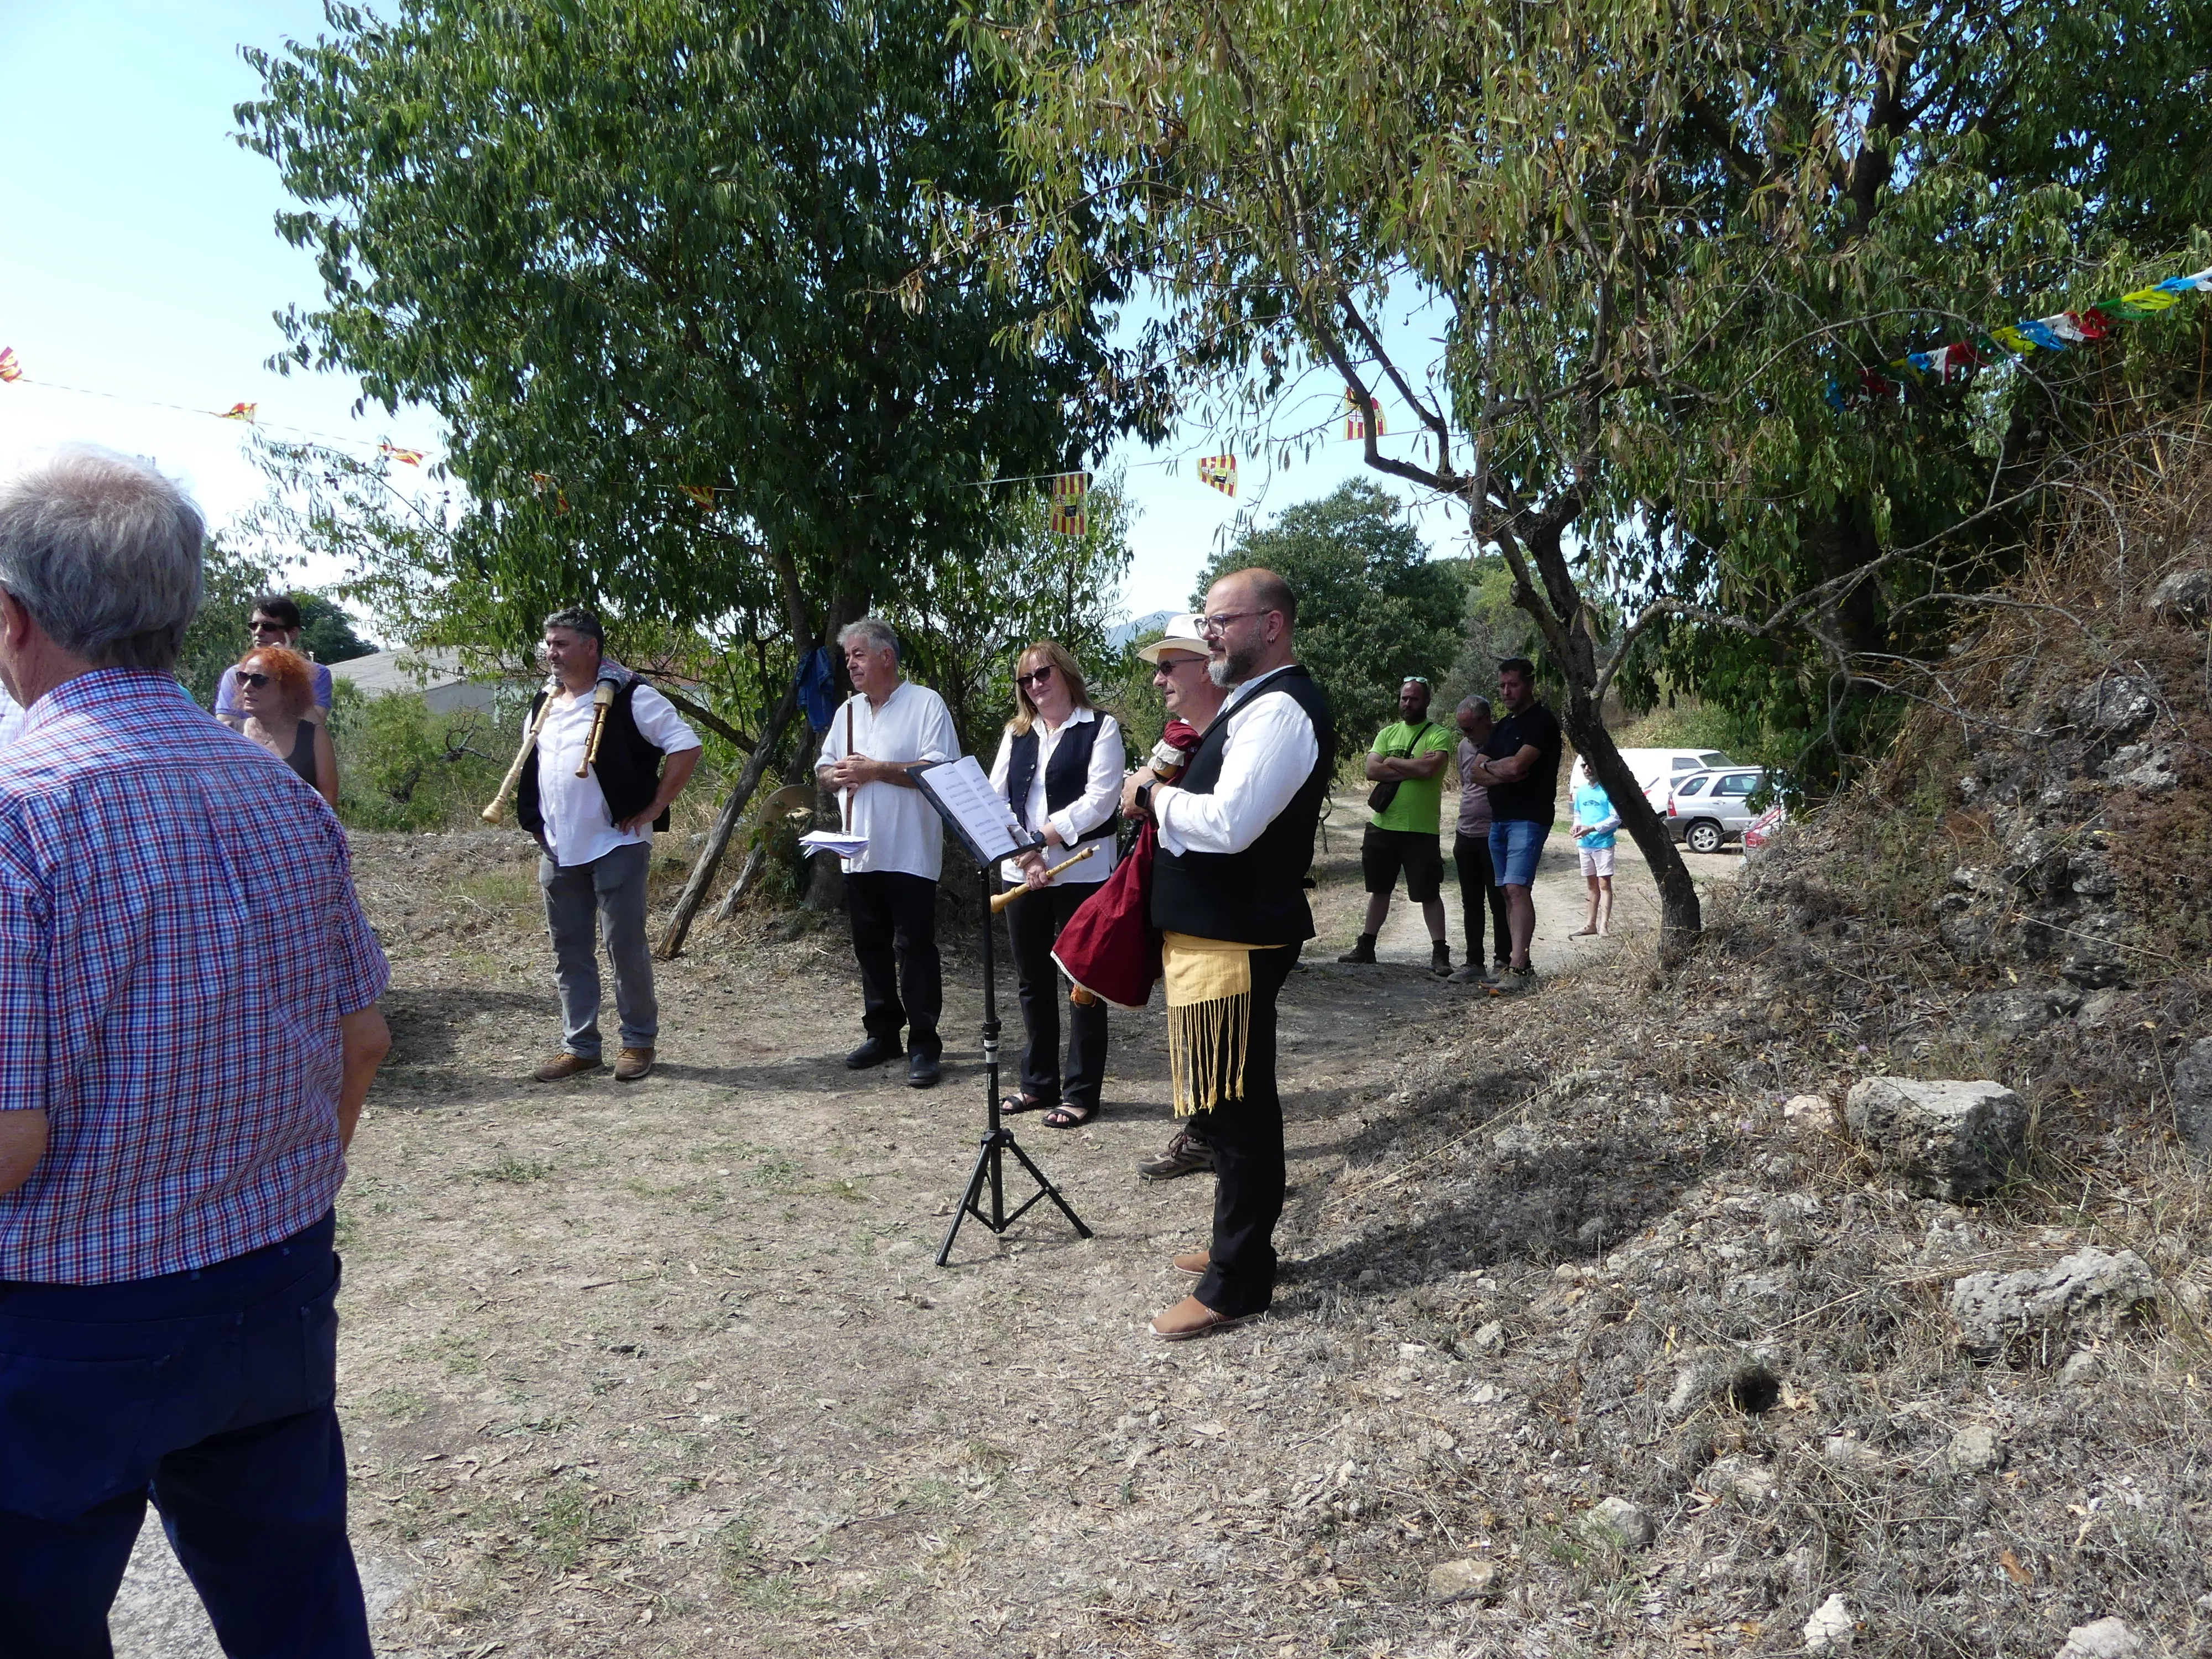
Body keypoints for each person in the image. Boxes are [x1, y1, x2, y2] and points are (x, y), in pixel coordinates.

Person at [0, 447, 393, 1655]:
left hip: (63, 1322)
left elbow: (10, 1141)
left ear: (13, 622)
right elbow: (363, 1040)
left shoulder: (19, 811)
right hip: (269, 1284)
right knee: (297, 1610)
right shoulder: (281, 795)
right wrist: (267, 1195)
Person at [1123, 568, 1333, 1340]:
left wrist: (1150, 798)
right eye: (1207, 622)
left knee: (1238, 1114)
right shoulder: (1253, 704)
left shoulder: (1281, 710)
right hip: (1215, 937)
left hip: (1236, 938)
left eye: (1221, 620)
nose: (1207, 633)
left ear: (1271, 625)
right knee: (1221, 1108)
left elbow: (1231, 824)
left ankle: (1238, 1281)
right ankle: (1233, 1247)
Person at [514, 608, 702, 1084]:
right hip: (559, 848)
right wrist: (537, 824)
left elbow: (686, 745)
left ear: (590, 647)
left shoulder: (633, 697)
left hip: (616, 842)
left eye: (560, 644)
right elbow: (536, 769)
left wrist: (656, 805)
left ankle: (638, 1042)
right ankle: (580, 1048)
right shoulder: (545, 700)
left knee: (625, 947)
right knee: (569, 950)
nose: (551, 653)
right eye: (549, 643)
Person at [987, 642, 1127, 1127]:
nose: (1035, 686)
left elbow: (1100, 800)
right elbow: (996, 798)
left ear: (1065, 673)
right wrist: (1026, 854)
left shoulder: (1100, 727)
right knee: (1032, 980)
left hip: (1082, 871)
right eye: (1026, 680)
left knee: (1082, 981)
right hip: (1021, 870)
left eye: (1042, 674)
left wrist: (1043, 839)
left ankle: (1082, 1092)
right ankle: (1037, 1084)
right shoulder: (1016, 733)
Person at [817, 618, 959, 1089]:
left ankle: (924, 1043)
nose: (851, 664)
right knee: (869, 946)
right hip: (858, 849)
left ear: (886, 657)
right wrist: (832, 777)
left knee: (914, 947)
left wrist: (877, 769)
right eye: (848, 657)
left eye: (858, 654)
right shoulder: (849, 712)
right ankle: (883, 1035)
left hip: (910, 850)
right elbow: (823, 766)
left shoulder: (926, 704)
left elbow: (939, 771)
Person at [1125, 614, 1233, 1183]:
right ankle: (1204, 1134)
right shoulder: (1191, 735)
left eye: (1168, 667)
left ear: (1204, 668)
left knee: (1218, 1040)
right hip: (1188, 908)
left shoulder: (1228, 736)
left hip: (1219, 915)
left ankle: (1217, 1143)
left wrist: (1146, 790)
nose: (1157, 679)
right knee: (1195, 1030)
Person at [1339, 676, 1455, 974]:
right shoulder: (1387, 733)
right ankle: (1366, 947)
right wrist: (1410, 768)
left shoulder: (1438, 734)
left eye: (1414, 699)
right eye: (1404, 698)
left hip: (1420, 829)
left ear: (1426, 701)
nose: (1407, 704)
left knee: (1428, 893)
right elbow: (1370, 770)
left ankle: (1440, 954)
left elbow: (1430, 769)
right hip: (1382, 826)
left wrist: (1392, 762)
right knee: (1379, 890)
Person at [1461, 657, 1563, 992]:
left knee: (1518, 889)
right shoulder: (1503, 727)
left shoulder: (1542, 722)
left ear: (1530, 684)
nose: (1507, 691)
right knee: (1506, 891)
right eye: (1503, 686)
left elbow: (1520, 766)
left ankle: (1519, 969)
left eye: (1514, 685)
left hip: (1529, 817)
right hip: (1499, 819)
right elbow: (1475, 771)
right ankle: (1518, 963)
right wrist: (1500, 770)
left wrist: (1498, 769)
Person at [1447, 695, 1513, 985]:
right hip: (1466, 833)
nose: (1466, 736)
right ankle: (1474, 961)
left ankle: (1504, 960)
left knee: (1500, 900)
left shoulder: (1505, 740)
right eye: (1462, 730)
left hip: (1494, 832)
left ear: (1487, 720)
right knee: (1470, 901)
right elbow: (1467, 785)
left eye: (1471, 729)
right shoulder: (1464, 747)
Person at [232, 644, 342, 809]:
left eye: (258, 680)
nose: (247, 687)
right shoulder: (230, 733)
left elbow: (329, 800)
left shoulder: (315, 737)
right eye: (243, 677)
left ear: (288, 688)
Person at [214, 593, 334, 732]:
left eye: (268, 627)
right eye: (253, 625)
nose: (258, 632)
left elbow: (314, 728)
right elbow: (226, 727)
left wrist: (290, 671)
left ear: (292, 633)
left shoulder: (318, 674)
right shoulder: (236, 674)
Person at [1570, 759, 1620, 937]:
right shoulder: (1582, 791)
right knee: (1592, 885)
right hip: (1585, 844)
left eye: (1590, 765)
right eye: (1584, 766)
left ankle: (1603, 926)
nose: (1587, 769)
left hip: (1603, 843)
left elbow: (1616, 818)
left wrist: (1591, 829)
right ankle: (1590, 924)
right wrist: (1577, 826)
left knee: (1604, 883)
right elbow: (1578, 814)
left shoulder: (1608, 790)